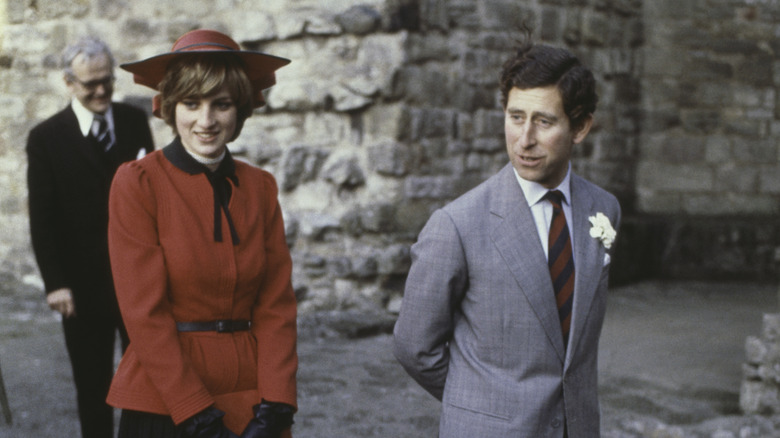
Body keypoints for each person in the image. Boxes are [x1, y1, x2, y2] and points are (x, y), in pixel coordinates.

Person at [393, 37, 622, 437]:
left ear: (581, 126)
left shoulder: (603, 210)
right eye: (516, 117)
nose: (525, 139)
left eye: (544, 121)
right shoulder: (458, 225)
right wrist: (483, 403)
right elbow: (415, 346)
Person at [106, 29, 298, 438]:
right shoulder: (138, 183)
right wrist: (197, 416)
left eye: (221, 104)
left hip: (252, 400)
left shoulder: (260, 187)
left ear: (240, 109)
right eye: (191, 104)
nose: (206, 121)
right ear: (171, 108)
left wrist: (277, 405)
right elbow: (144, 315)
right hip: (168, 401)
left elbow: (276, 305)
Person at [26, 36, 154, 438]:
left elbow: (150, 196)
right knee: (93, 384)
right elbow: (42, 218)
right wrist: (56, 283)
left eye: (106, 81)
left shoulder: (134, 122)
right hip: (81, 286)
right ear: (69, 83)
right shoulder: (46, 138)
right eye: (89, 84)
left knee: (150, 377)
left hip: (136, 279)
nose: (100, 91)